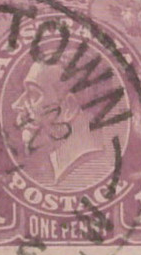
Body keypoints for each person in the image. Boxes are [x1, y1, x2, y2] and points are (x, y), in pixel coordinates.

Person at [10, 55, 114, 190]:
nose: (16, 105)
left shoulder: (86, 177)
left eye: (34, 94)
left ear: (69, 108)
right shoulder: (80, 178)